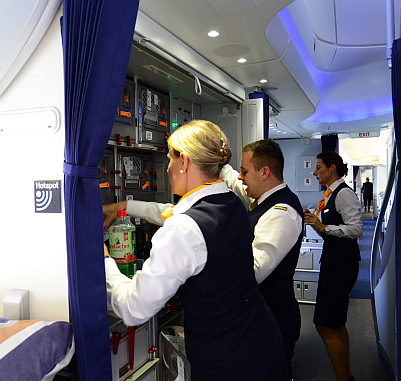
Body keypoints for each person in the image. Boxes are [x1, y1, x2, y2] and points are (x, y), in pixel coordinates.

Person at [103, 120, 288, 381]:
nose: (167, 167)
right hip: (262, 343)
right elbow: (172, 213)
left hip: (228, 364)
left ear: (184, 161)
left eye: (169, 158)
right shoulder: (232, 203)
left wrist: (105, 262)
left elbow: (135, 307)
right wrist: (123, 206)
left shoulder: (183, 228)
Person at [220, 139, 303, 379]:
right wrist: (221, 162)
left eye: (245, 171)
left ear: (265, 172)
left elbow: (253, 272)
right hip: (260, 318)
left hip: (274, 320)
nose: (241, 177)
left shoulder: (282, 213)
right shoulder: (264, 200)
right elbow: (235, 182)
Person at [303, 151, 363, 381]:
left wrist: (323, 227)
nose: (315, 172)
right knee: (336, 324)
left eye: (319, 167)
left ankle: (342, 378)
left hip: (342, 264)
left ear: (332, 169)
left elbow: (356, 229)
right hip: (335, 261)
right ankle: (346, 375)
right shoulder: (329, 195)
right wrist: (318, 224)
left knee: (324, 325)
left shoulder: (344, 194)